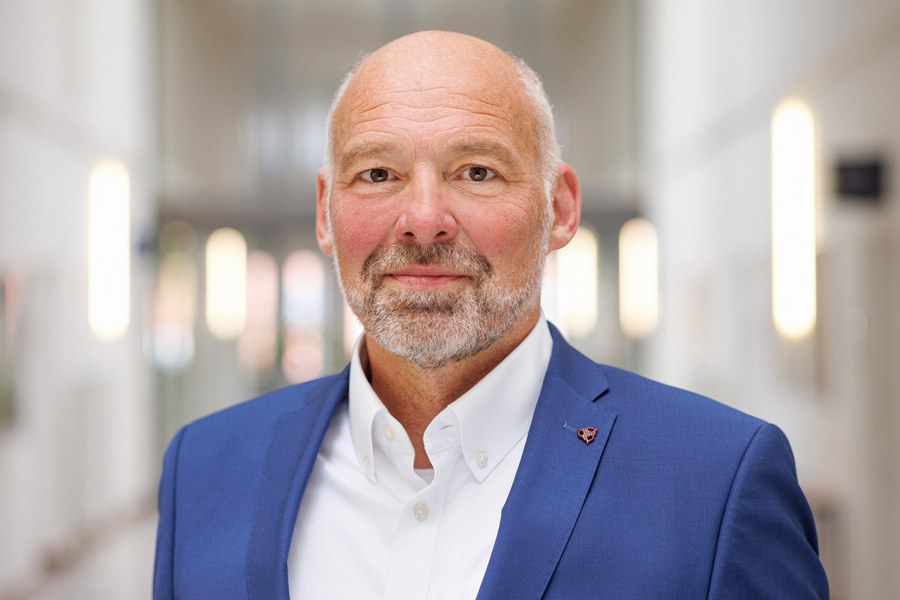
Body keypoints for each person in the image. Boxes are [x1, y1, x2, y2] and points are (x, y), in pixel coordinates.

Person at [153, 31, 828, 599]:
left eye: (476, 172)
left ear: (560, 209)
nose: (423, 221)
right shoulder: (206, 470)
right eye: (378, 174)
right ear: (325, 215)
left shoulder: (715, 482)